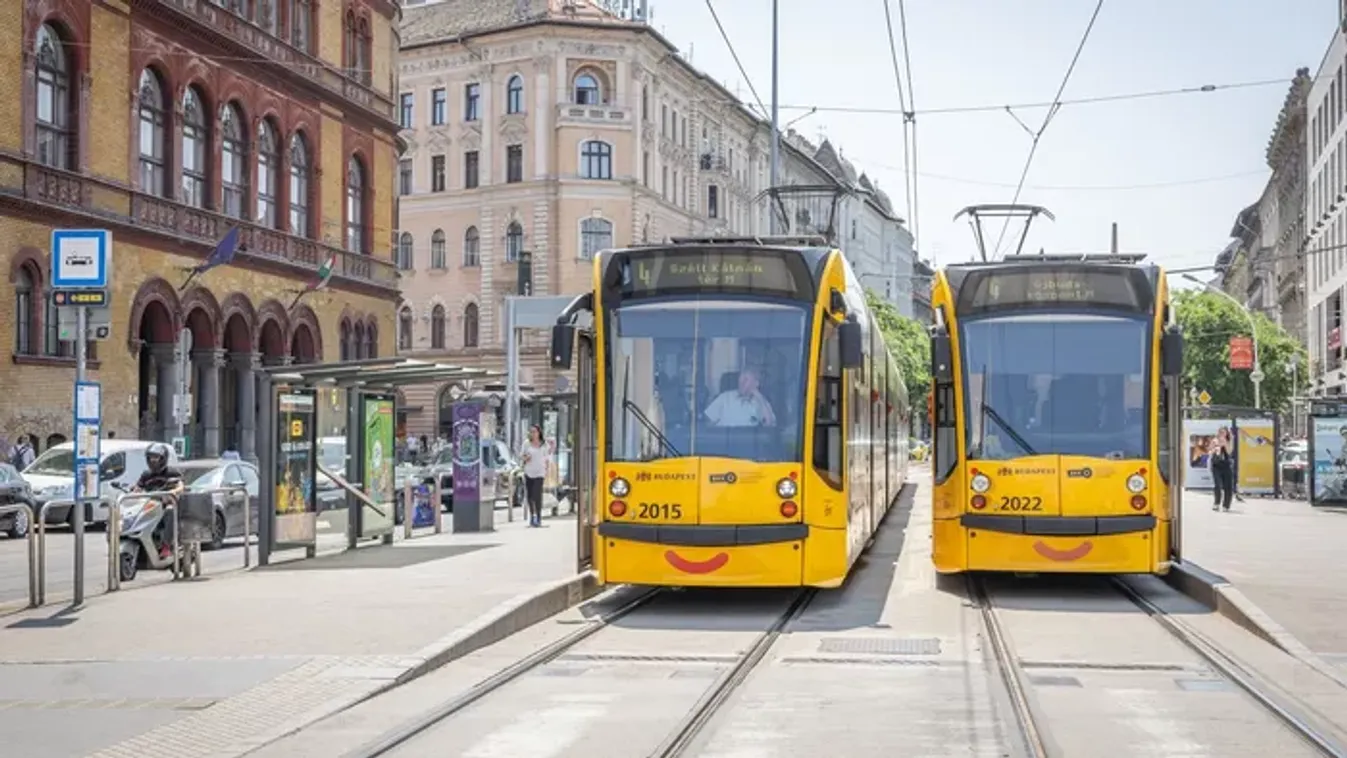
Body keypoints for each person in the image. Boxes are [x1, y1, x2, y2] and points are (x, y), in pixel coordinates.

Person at [133, 442, 184, 558]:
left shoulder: (171, 472)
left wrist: (174, 491)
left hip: (165, 505)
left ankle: (166, 546)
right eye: (150, 457)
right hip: (149, 506)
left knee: (170, 511)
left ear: (163, 458)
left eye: (156, 457)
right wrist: (134, 491)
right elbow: (138, 487)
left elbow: (180, 485)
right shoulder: (146, 475)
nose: (153, 460)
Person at [705, 367, 776, 427]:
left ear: (756, 383)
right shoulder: (725, 397)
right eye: (740, 379)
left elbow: (769, 426)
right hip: (725, 440)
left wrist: (760, 398)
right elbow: (707, 424)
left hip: (748, 441)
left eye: (745, 380)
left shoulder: (760, 402)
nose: (741, 382)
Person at [519, 425, 549, 527]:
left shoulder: (544, 444)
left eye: (535, 431)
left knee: (537, 495)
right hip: (529, 472)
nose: (533, 434)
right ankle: (532, 516)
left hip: (540, 473)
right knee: (530, 495)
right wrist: (525, 458)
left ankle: (539, 517)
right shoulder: (526, 443)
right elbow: (521, 455)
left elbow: (547, 458)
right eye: (531, 432)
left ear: (539, 432)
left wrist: (547, 470)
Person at [1210, 426, 1235, 512]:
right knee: (1217, 485)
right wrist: (1215, 447)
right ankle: (1216, 503)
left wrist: (1225, 443)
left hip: (1226, 465)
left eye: (1224, 432)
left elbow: (1229, 452)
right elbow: (1210, 451)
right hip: (1216, 465)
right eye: (1220, 432)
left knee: (1228, 486)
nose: (1222, 434)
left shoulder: (1229, 441)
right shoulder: (1214, 440)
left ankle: (1226, 505)